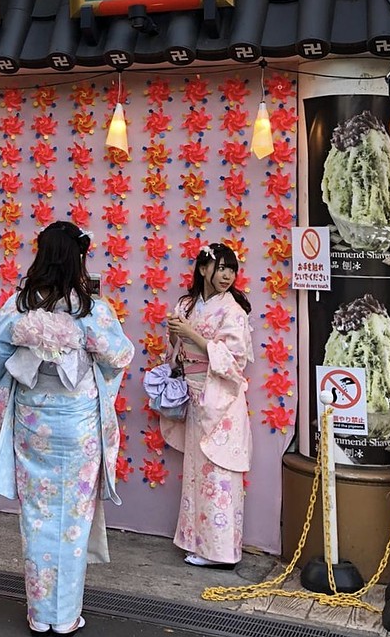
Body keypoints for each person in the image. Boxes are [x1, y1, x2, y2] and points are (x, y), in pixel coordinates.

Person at [0, 221, 134, 636]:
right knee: (73, 519)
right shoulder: (91, 309)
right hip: (78, 423)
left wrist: (14, 376)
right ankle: (64, 616)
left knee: (37, 516)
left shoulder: (19, 305)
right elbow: (119, 355)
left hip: (34, 423)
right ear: (78, 258)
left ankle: (39, 613)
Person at [162, 242, 253, 570]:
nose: (227, 275)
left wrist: (193, 336)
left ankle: (222, 551)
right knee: (197, 474)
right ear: (203, 269)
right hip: (196, 394)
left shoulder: (234, 311)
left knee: (220, 474)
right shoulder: (187, 304)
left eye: (232, 269)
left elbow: (234, 361)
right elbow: (175, 351)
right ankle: (197, 542)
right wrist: (176, 337)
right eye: (221, 268)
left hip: (222, 400)